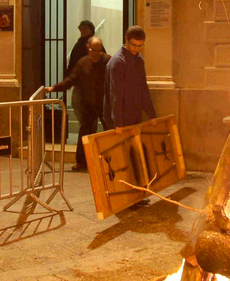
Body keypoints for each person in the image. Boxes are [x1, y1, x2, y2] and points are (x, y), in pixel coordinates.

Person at [44, 36, 110, 172]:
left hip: (105, 104)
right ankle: (81, 162)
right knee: (85, 132)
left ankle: (111, 161)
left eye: (98, 50)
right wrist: (54, 88)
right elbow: (71, 79)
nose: (96, 53)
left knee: (109, 132)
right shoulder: (83, 63)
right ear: (88, 48)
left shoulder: (108, 61)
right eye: (93, 50)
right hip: (88, 104)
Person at [105, 25, 156, 133]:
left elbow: (143, 88)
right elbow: (115, 93)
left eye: (140, 45)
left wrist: (151, 114)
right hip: (120, 118)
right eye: (133, 45)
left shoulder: (138, 60)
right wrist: (118, 122)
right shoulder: (118, 61)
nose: (136, 49)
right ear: (126, 39)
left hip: (134, 114)